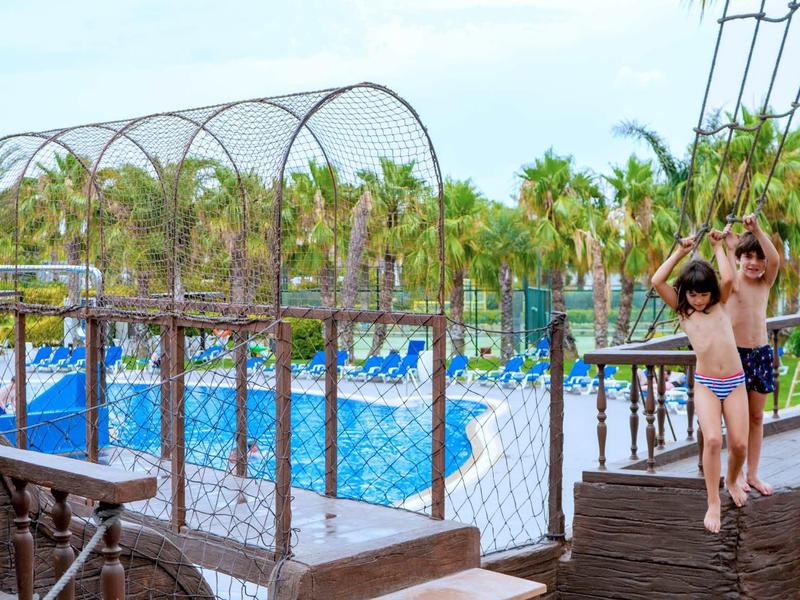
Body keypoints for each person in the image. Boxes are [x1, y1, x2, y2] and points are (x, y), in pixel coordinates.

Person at [651, 232, 749, 533]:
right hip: (706, 383)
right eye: (693, 294)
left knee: (739, 445)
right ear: (685, 294)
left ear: (711, 293)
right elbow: (657, 281)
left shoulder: (719, 304)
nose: (698, 299)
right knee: (713, 440)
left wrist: (718, 246)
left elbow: (729, 277)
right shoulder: (683, 310)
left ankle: (732, 478)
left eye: (703, 294)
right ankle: (713, 501)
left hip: (734, 382)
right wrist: (681, 252)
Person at [723, 213, 781, 497]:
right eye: (748, 257)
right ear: (738, 258)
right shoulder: (733, 280)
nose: (754, 263)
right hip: (736, 356)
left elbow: (776, 259)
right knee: (738, 420)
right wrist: (725, 241)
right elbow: (728, 256)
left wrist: (756, 228)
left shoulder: (765, 282)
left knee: (757, 417)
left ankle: (754, 473)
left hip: (761, 355)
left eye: (759, 259)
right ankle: (737, 473)